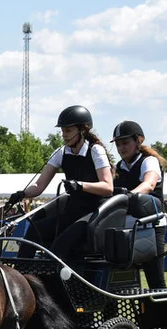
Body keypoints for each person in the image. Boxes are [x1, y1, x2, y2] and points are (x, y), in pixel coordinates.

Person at [10, 105, 113, 261]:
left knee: (61, 245)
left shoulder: (95, 150)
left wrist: (80, 185)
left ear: (82, 130)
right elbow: (39, 186)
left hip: (95, 213)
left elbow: (108, 187)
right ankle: (21, 274)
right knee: (34, 231)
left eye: (68, 131)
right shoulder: (61, 152)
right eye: (62, 131)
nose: (64, 135)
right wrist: (22, 194)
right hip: (73, 212)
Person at [111, 121, 167, 289]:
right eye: (118, 144)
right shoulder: (118, 167)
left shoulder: (149, 161)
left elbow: (148, 185)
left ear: (139, 141)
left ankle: (162, 313)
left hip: (152, 226)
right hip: (126, 227)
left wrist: (129, 195)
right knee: (115, 276)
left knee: (155, 279)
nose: (122, 148)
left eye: (126, 142)